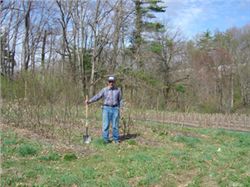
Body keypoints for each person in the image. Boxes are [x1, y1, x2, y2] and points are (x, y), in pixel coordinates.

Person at [85, 76, 122, 144]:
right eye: (110, 81)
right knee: (105, 125)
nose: (111, 83)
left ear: (114, 82)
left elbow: (120, 100)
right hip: (106, 108)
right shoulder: (104, 90)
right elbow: (97, 96)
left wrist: (119, 108)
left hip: (115, 109)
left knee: (115, 125)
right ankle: (105, 140)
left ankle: (116, 139)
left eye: (112, 81)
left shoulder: (118, 90)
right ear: (108, 82)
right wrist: (89, 101)